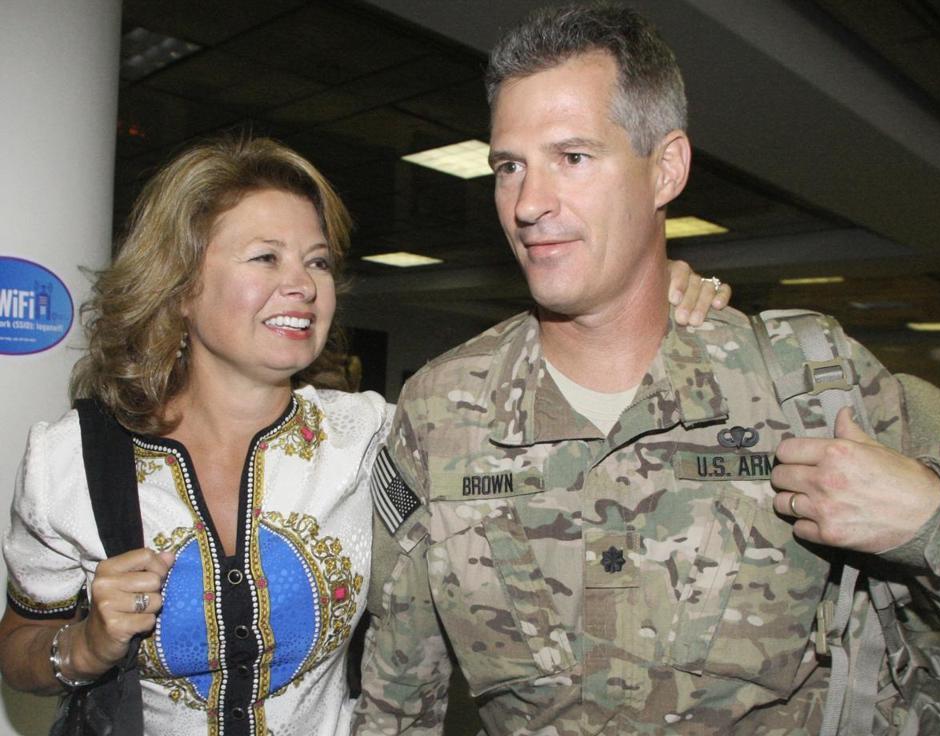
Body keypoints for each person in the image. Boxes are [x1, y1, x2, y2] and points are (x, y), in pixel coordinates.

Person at [352, 4, 940, 735]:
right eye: (509, 166)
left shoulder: (809, 387)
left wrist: (932, 520)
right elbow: (399, 695)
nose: (528, 203)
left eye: (571, 158)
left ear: (665, 168)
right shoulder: (442, 408)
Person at [0, 132, 726, 735]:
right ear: (181, 284)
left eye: (317, 261)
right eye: (265, 258)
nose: (304, 283)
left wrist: (634, 297)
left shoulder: (370, 435)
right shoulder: (74, 461)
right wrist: (85, 646)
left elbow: (528, 395)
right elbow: (17, 651)